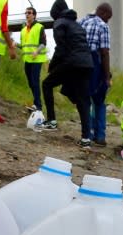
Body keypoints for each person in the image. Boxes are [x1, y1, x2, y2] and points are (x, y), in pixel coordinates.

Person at [40, 0, 94, 147]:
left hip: (71, 63)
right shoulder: (77, 25)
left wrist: (52, 65)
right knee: (82, 100)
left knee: (46, 84)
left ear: (55, 14)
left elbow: (61, 48)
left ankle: (51, 121)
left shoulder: (59, 23)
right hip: (86, 64)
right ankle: (86, 139)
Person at [78, 3, 112, 146]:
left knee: (85, 100)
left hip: (79, 63)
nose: (108, 21)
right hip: (94, 64)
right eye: (108, 17)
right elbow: (104, 52)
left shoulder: (81, 22)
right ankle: (100, 136)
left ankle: (88, 134)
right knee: (99, 101)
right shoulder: (102, 26)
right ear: (103, 13)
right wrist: (107, 76)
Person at [20, 7, 47, 111]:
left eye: (29, 13)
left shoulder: (40, 27)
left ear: (34, 15)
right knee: (30, 82)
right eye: (26, 13)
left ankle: (38, 106)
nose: (27, 14)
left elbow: (43, 43)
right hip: (27, 60)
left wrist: (37, 51)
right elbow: (23, 46)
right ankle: (36, 103)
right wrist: (14, 44)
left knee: (35, 81)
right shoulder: (23, 30)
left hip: (37, 59)